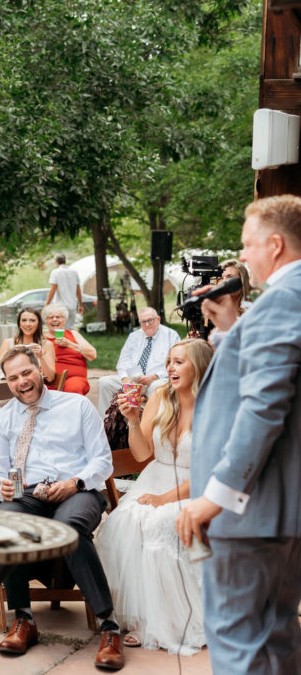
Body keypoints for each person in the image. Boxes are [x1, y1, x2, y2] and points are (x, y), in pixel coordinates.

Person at [176, 195, 301, 674]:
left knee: (235, 642)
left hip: (249, 511)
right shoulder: (284, 305)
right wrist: (228, 322)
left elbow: (263, 408)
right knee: (275, 637)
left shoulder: (281, 302)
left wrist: (216, 496)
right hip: (279, 513)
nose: (243, 256)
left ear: (275, 244)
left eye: (249, 245)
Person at [0, 346, 123, 669]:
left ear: (41, 371)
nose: (22, 382)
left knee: (70, 529)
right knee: (7, 524)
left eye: (27, 373)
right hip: (26, 494)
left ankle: (109, 626)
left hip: (76, 488)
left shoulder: (76, 406)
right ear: (7, 383)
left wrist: (75, 482)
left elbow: (103, 461)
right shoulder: (2, 420)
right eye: (13, 377)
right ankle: (24, 619)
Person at [96, 339, 212, 655]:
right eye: (169, 362)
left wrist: (164, 499)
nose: (170, 368)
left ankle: (174, 622)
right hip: (155, 475)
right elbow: (142, 452)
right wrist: (133, 420)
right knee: (127, 520)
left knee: (161, 521)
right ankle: (141, 618)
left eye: (179, 362)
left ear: (199, 366)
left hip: (196, 486)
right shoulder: (161, 395)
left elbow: (210, 472)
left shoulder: (214, 404)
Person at [95, 307, 180, 414]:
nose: (147, 324)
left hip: (157, 380)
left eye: (150, 320)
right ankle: (108, 425)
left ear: (158, 319)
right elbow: (123, 361)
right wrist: (125, 379)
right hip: (133, 381)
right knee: (105, 382)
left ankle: (153, 425)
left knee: (157, 386)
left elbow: (175, 363)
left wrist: (155, 376)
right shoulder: (134, 336)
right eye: (143, 322)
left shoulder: (170, 335)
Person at [42, 303, 95, 395]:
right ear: (46, 321)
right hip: (49, 379)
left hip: (74, 378)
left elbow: (92, 355)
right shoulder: (41, 338)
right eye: (51, 317)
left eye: (58, 317)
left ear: (64, 320)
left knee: (73, 389)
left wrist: (70, 344)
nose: (54, 319)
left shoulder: (73, 334)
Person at [208, 260, 251, 349]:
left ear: (242, 282)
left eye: (230, 277)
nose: (223, 282)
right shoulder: (213, 316)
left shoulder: (250, 316)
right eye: (220, 278)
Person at [45, 253, 83, 329]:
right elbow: (78, 291)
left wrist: (47, 304)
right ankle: (69, 341)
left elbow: (52, 290)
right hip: (72, 306)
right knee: (70, 328)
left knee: (60, 329)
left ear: (56, 262)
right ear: (65, 261)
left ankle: (62, 341)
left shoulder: (55, 272)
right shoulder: (74, 273)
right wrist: (80, 305)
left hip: (60, 307)